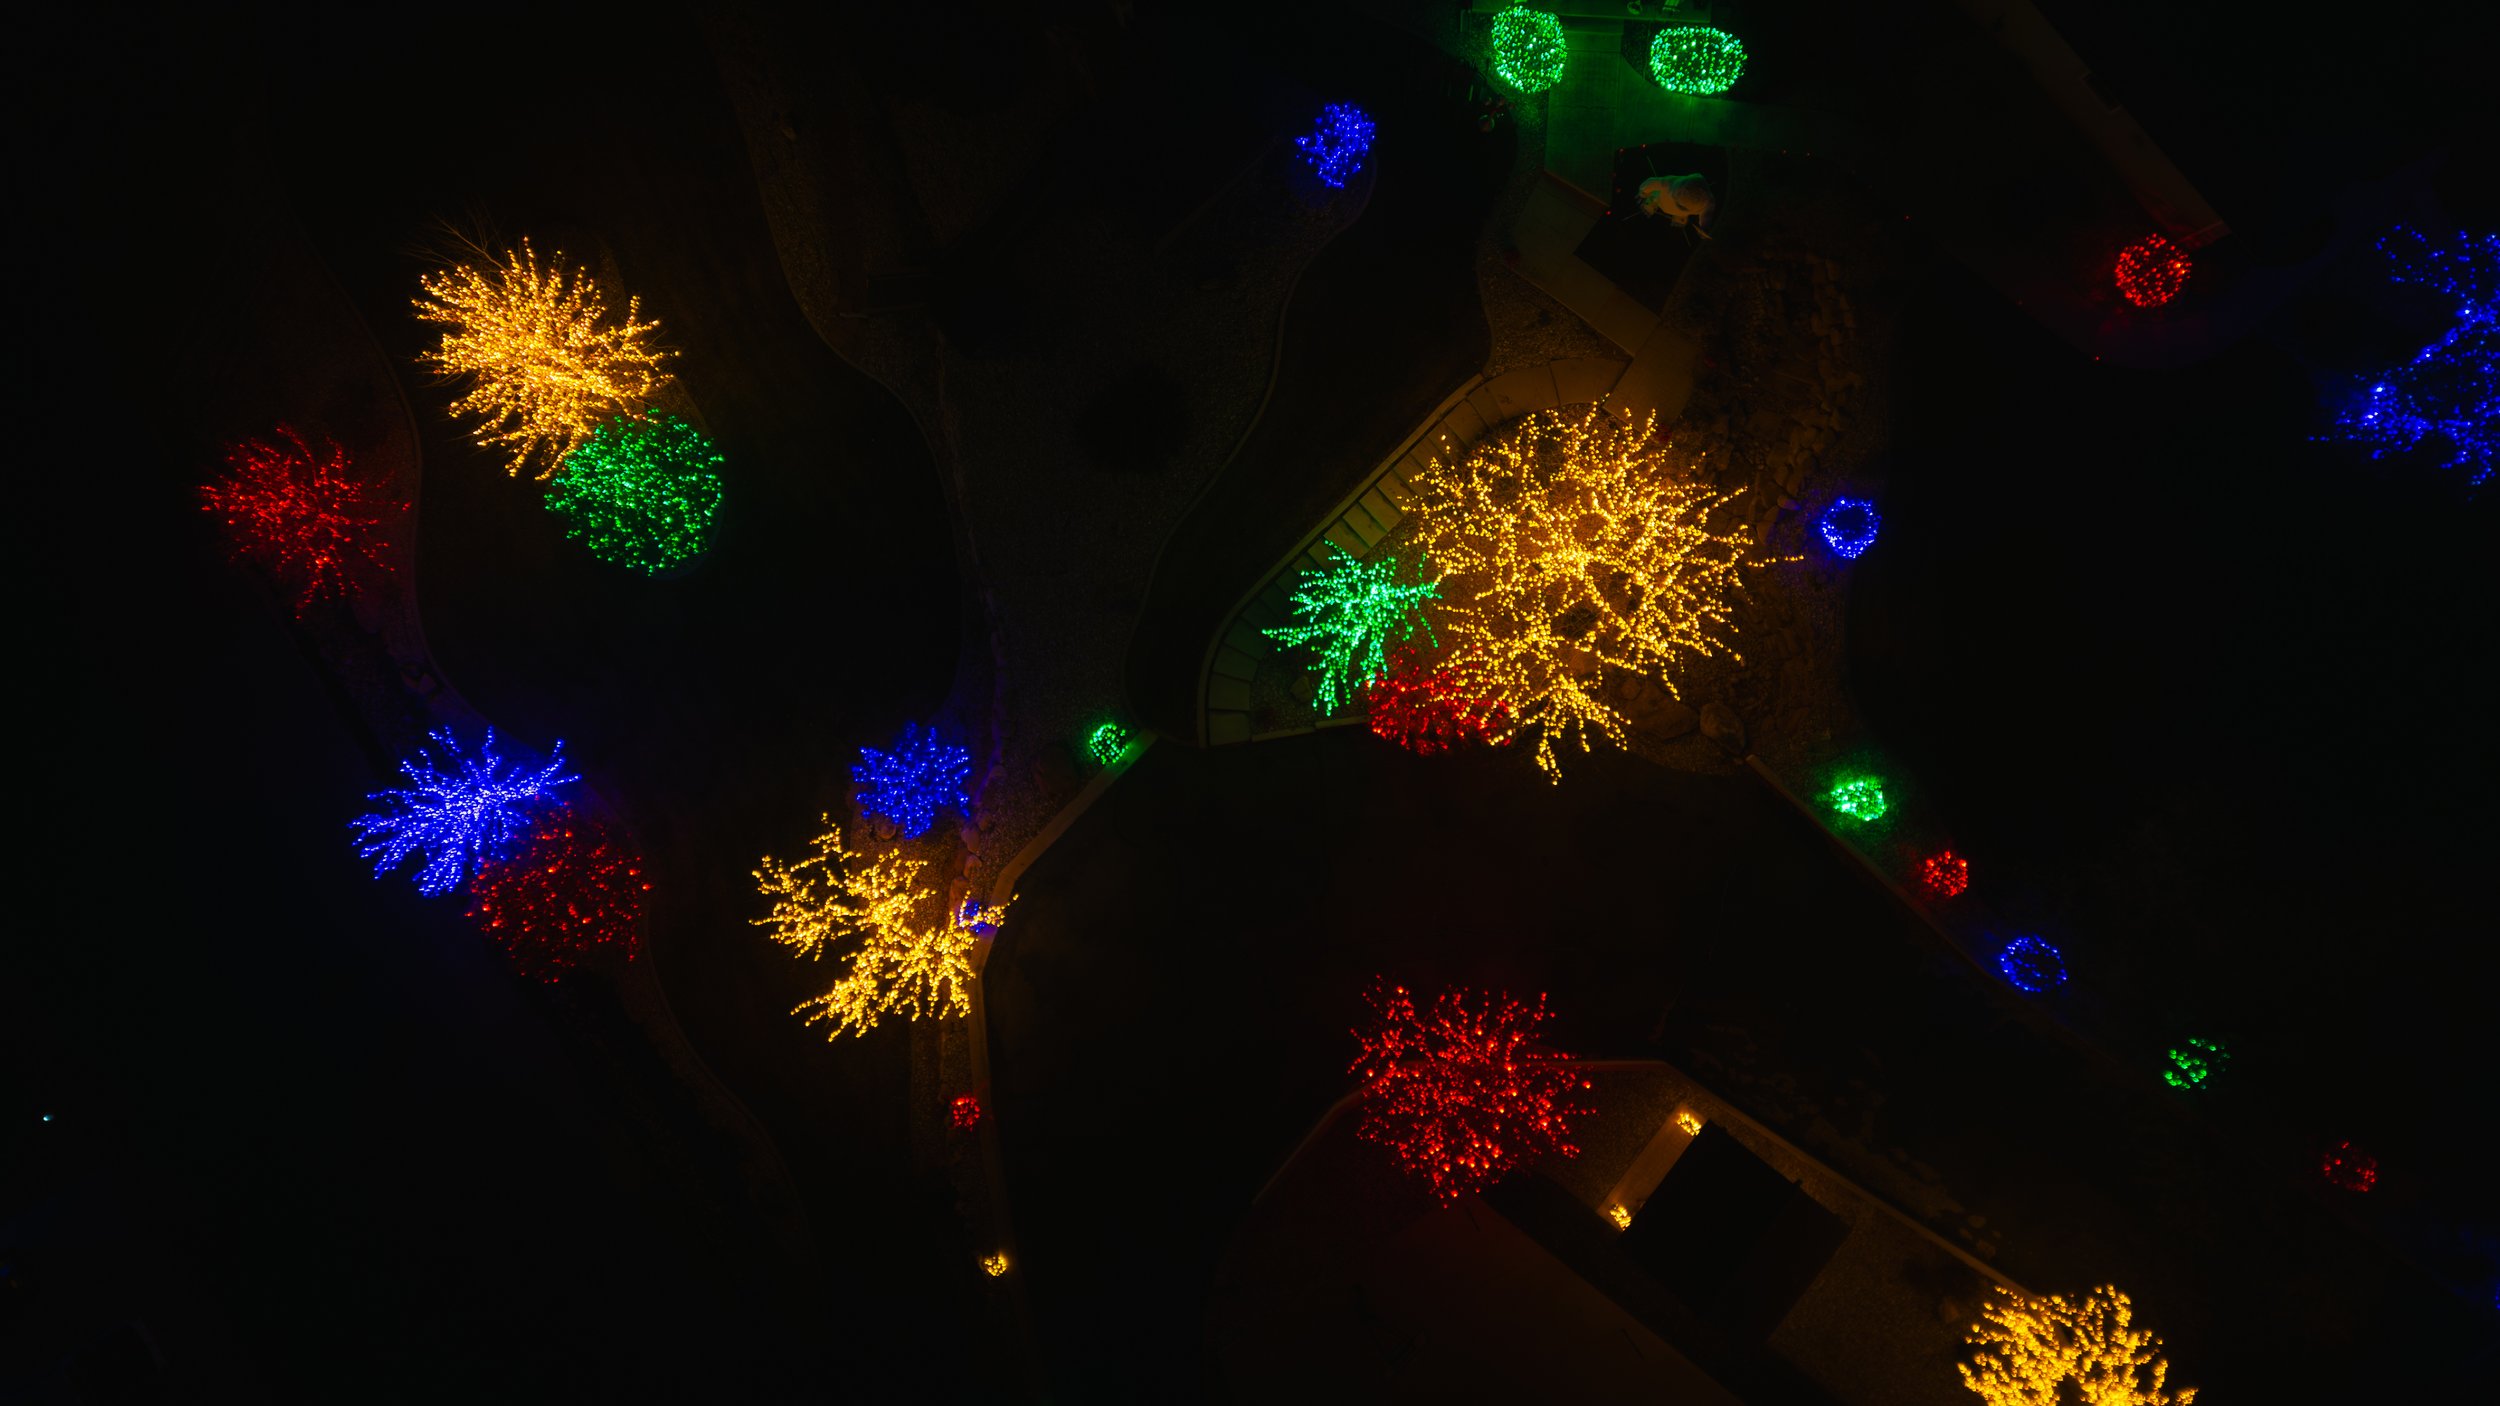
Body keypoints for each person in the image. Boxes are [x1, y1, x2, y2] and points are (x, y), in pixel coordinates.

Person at [1636, 173, 1716, 239]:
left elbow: (1706, 217)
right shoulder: (1666, 184)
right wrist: (1643, 192)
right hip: (1664, 199)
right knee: (1656, 193)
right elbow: (1651, 182)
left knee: (1659, 192)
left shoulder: (1707, 203)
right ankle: (1653, 199)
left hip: (1674, 207)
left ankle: (1680, 216)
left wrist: (1704, 228)